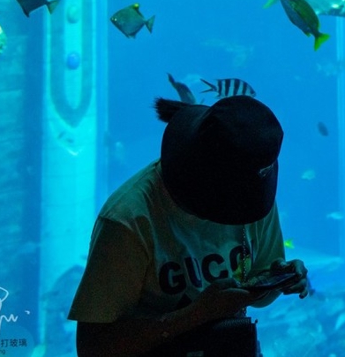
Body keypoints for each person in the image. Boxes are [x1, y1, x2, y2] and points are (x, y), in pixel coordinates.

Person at [69, 95, 311, 357]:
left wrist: (275, 280)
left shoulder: (251, 193)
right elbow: (93, 347)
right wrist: (195, 315)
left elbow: (258, 285)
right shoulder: (130, 221)